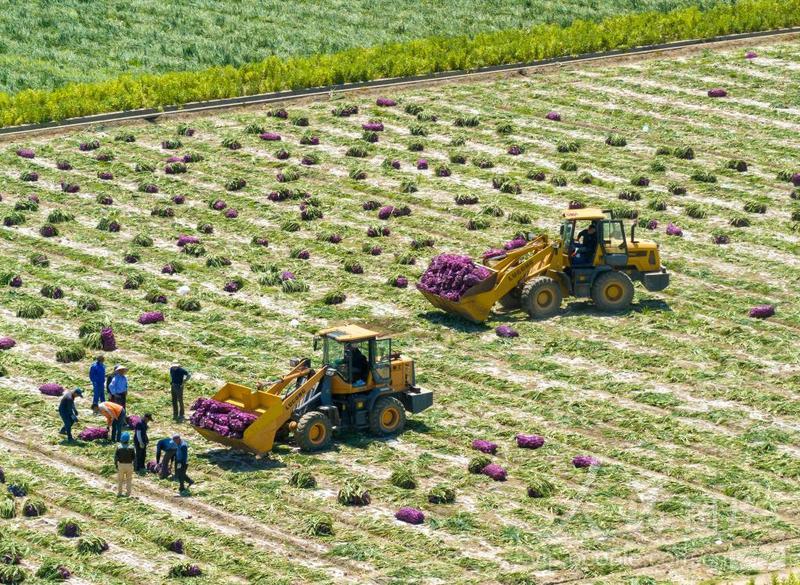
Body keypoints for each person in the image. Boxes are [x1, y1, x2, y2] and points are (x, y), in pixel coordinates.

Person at [114, 432, 135, 497]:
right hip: (129, 465)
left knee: (120, 480)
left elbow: (115, 457)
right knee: (129, 480)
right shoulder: (131, 447)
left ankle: (120, 493)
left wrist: (116, 465)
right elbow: (134, 457)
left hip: (121, 465)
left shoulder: (119, 447)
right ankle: (128, 494)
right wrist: (133, 465)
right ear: (128, 440)